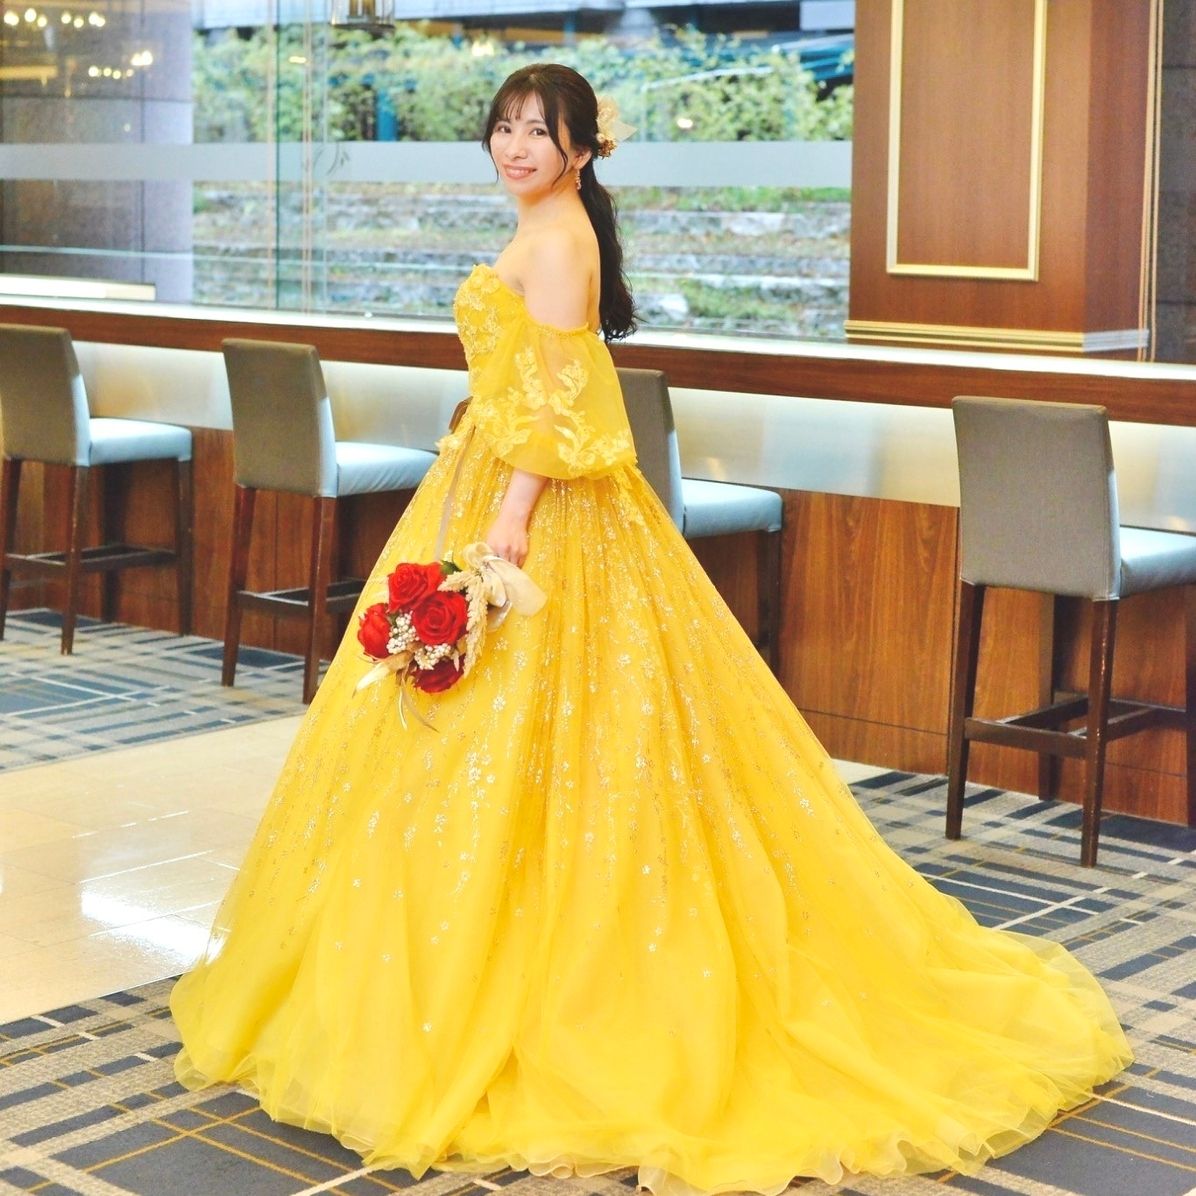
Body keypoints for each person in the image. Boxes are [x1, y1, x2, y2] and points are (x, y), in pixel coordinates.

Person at [171, 63, 1131, 1192]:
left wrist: (510, 520)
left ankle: (539, 979)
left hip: (534, 504)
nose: (515, 145)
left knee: (548, 733)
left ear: (581, 149)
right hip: (492, 475)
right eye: (504, 127)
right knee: (495, 739)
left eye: (539, 131)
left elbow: (562, 403)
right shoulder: (547, 228)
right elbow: (527, 385)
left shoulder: (560, 240)